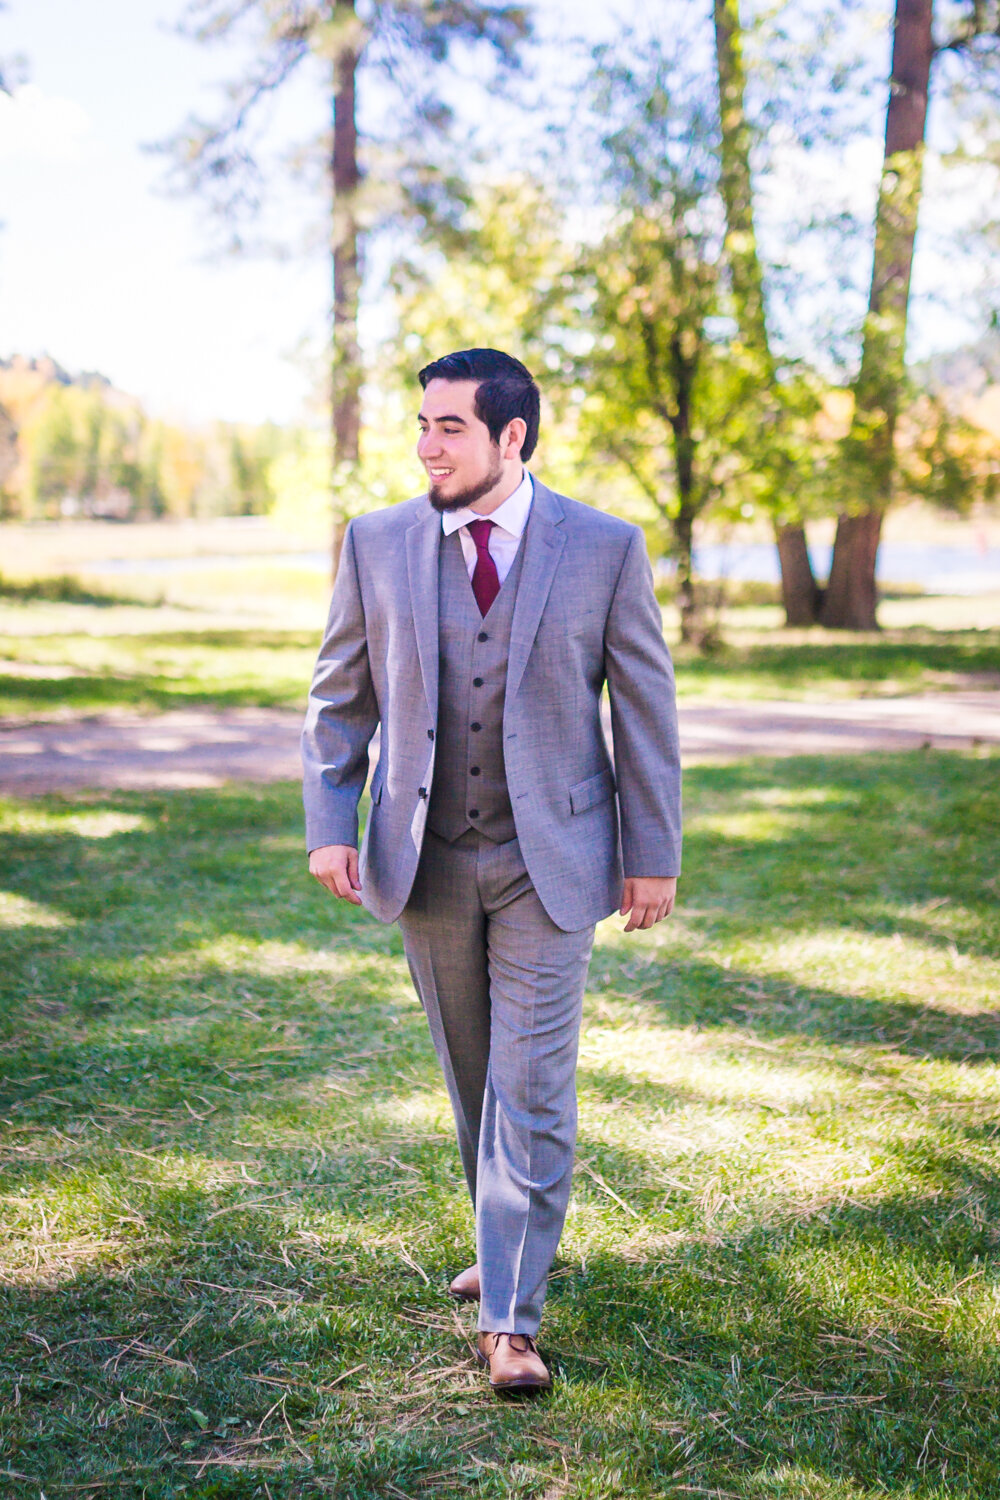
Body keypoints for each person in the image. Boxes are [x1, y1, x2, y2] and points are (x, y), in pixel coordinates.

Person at [302, 348, 681, 1393]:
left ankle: (510, 1322)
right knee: (473, 1078)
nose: (426, 444)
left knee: (533, 1086)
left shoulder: (603, 547)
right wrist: (332, 819)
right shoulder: (377, 542)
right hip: (423, 857)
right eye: (421, 425)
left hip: (547, 858)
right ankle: (501, 1235)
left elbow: (644, 711)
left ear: (511, 437)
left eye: (450, 427)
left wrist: (653, 853)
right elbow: (340, 698)